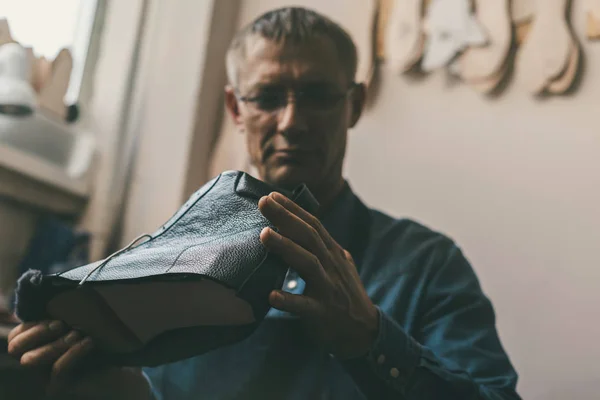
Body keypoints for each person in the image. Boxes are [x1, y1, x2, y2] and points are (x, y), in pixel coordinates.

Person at [7, 7, 521, 399]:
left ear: (355, 106)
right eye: (268, 96)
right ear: (235, 107)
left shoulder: (428, 266)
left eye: (318, 96)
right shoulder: (153, 263)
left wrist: (370, 338)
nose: (292, 121)